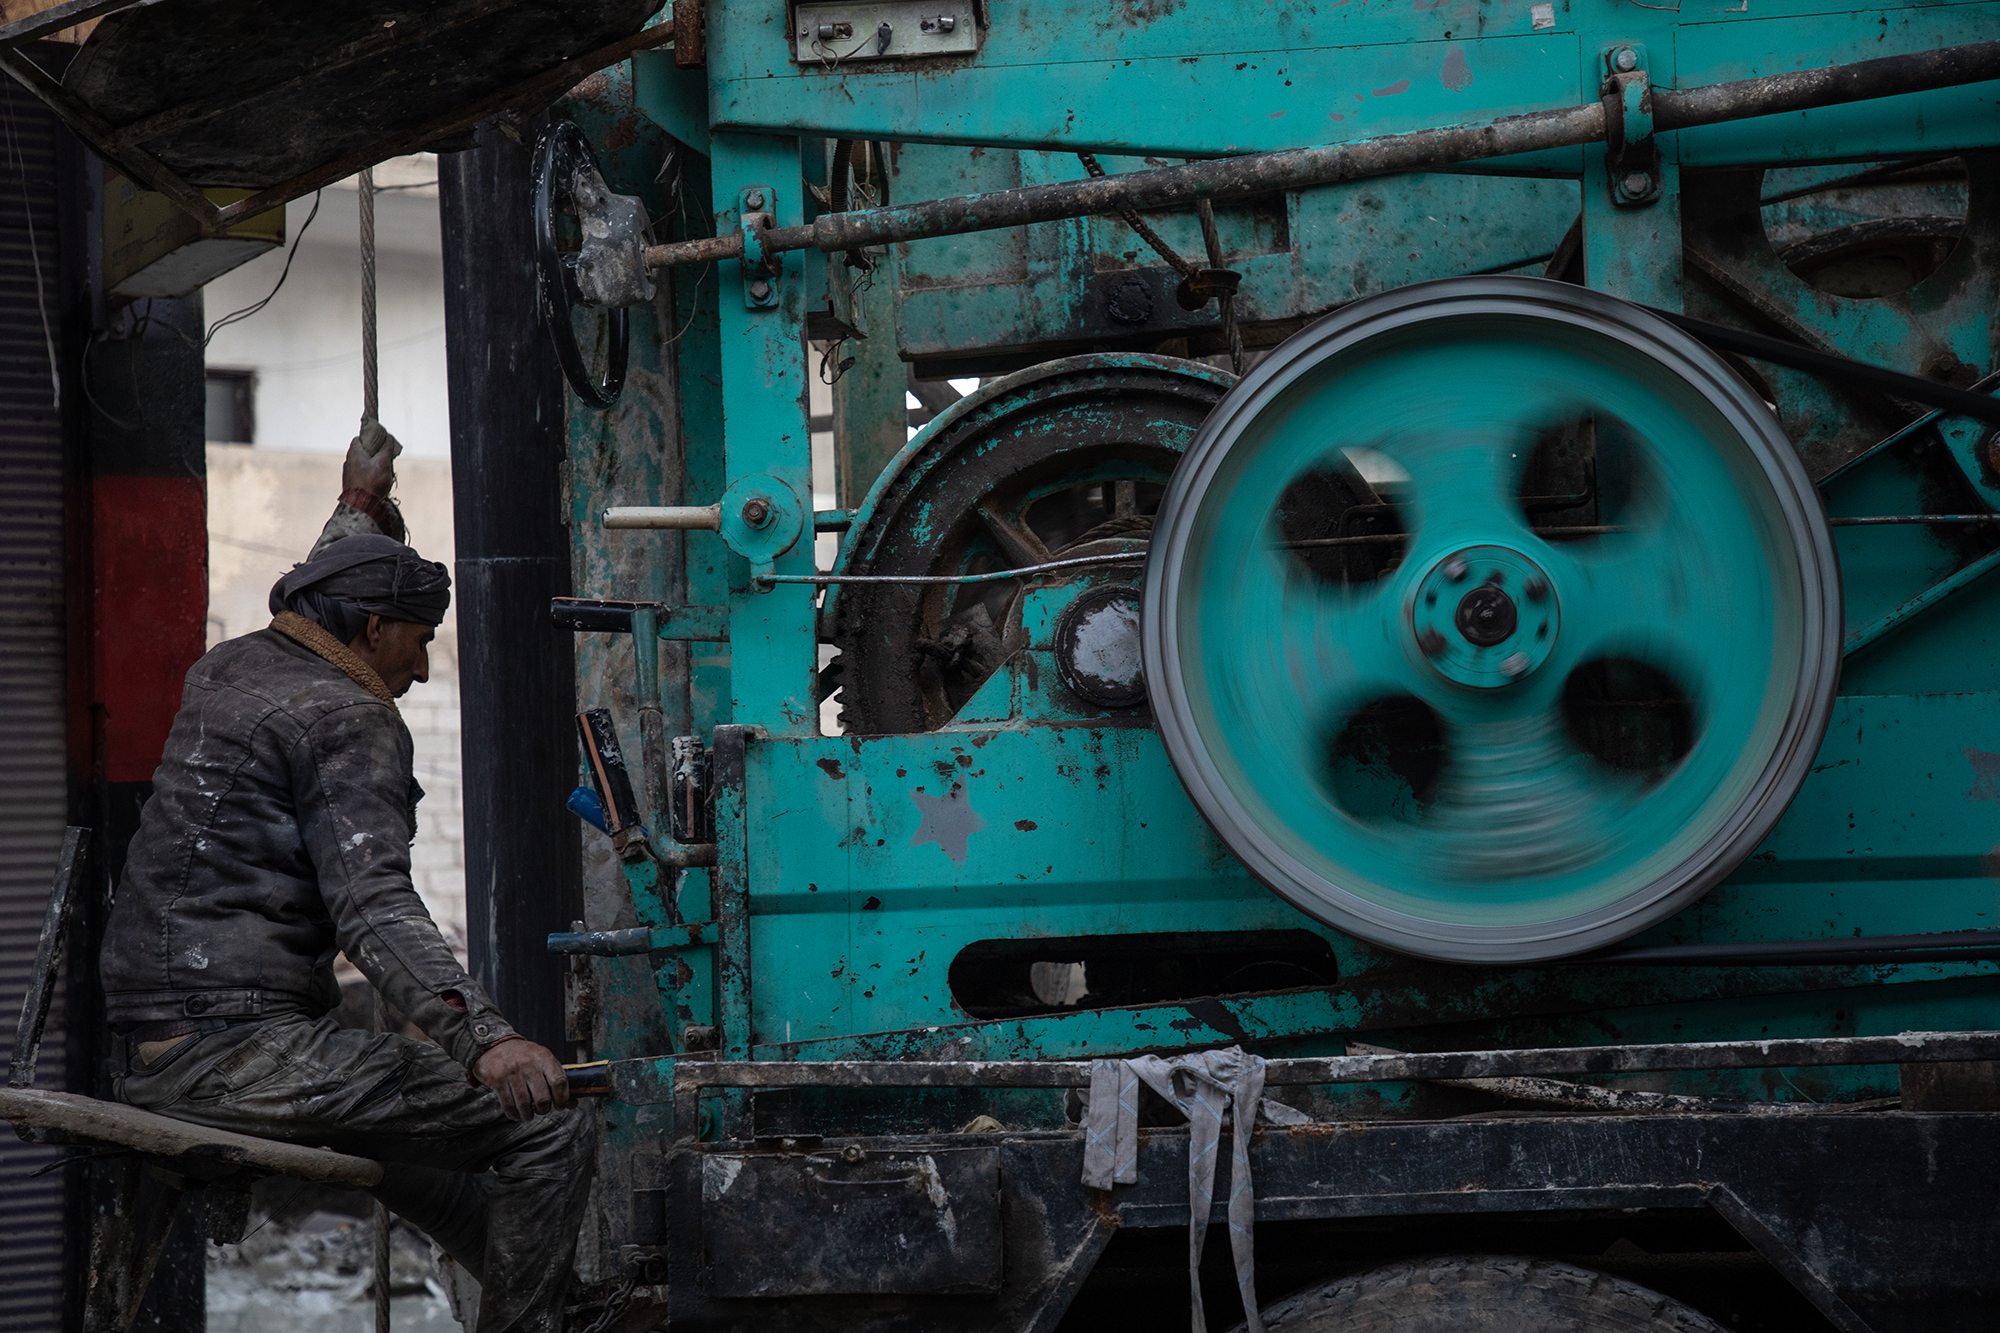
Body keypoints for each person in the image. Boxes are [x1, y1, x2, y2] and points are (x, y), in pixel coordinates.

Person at [98, 423, 593, 1333]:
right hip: (237, 1054)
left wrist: (357, 505)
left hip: (153, 1040)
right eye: (417, 640)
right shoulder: (347, 717)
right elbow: (371, 905)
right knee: (548, 1125)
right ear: (372, 629)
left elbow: (313, 589)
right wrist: (487, 1040)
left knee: (442, 1176)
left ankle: (551, 1306)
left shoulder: (236, 665)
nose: (423, 663)